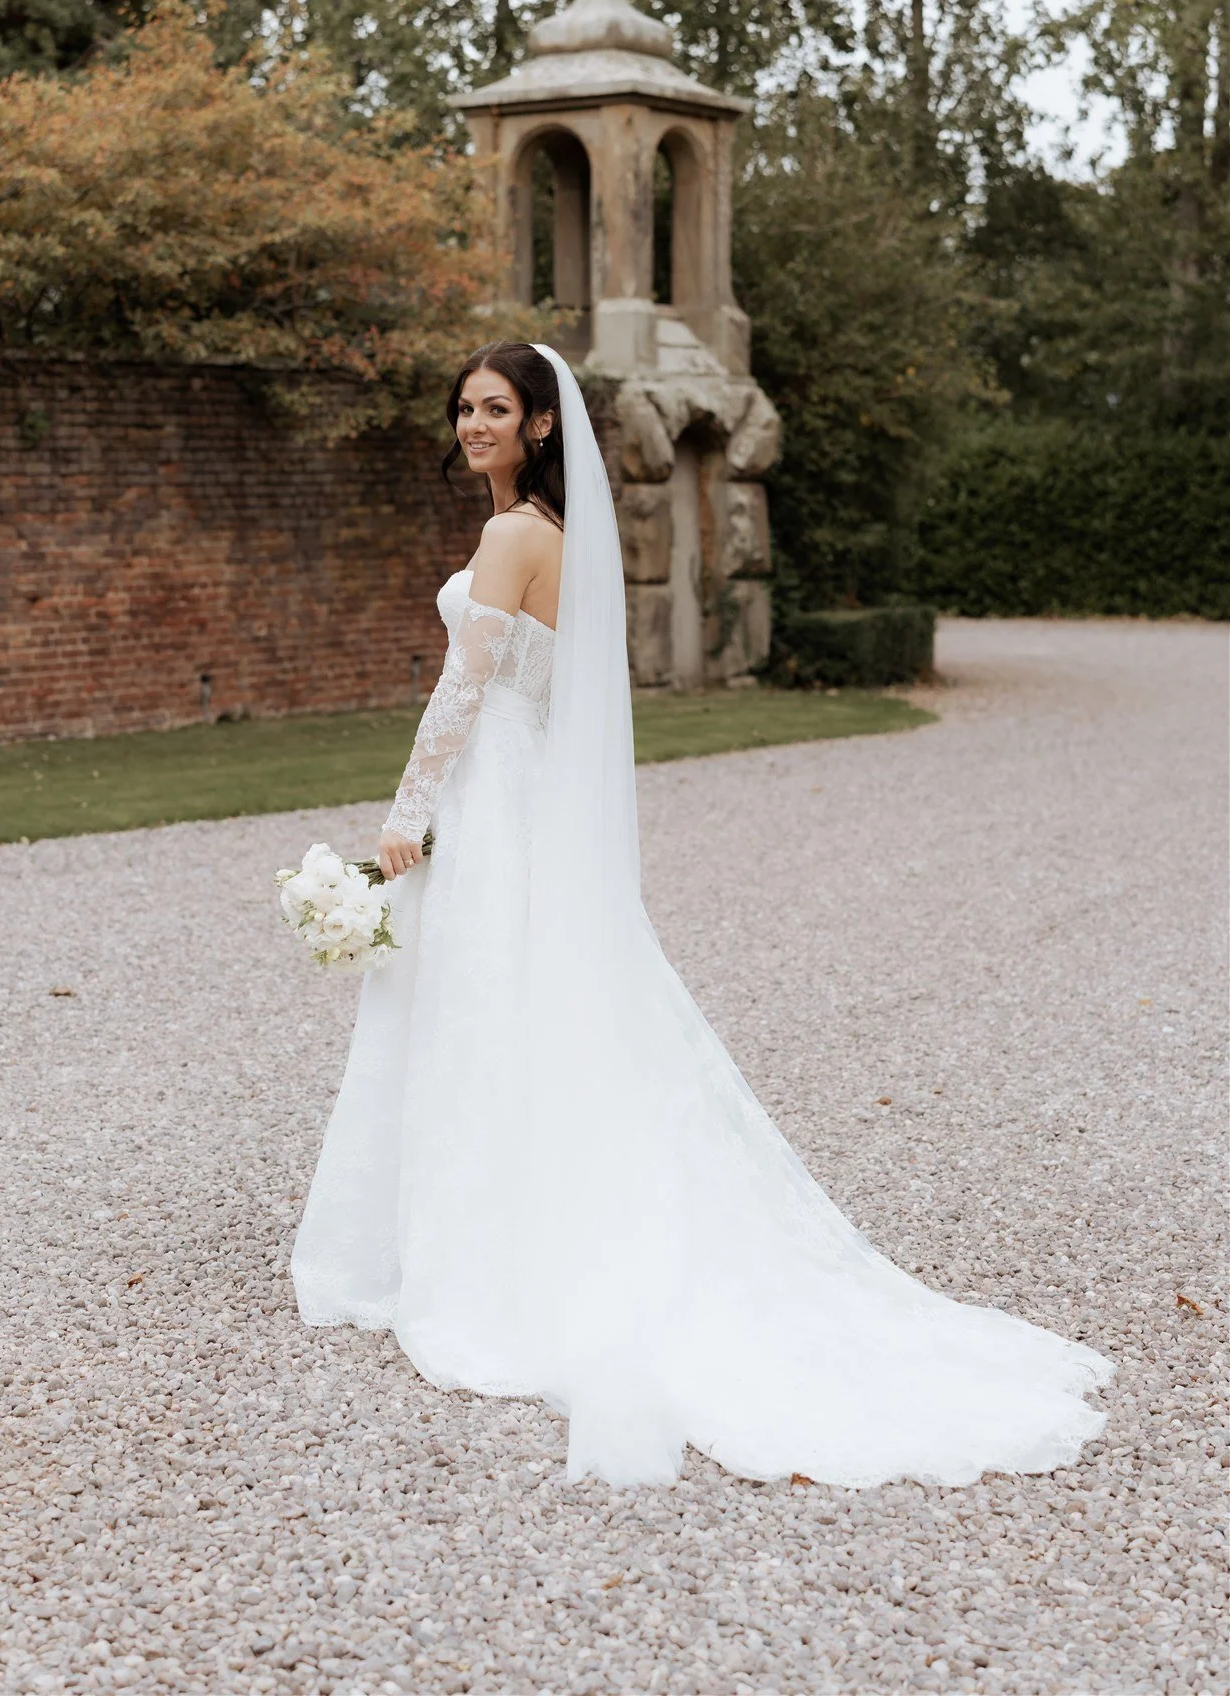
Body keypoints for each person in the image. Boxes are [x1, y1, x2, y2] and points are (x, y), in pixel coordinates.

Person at [291, 340, 1112, 1488]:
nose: (472, 423)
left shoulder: (512, 536)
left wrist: (405, 812)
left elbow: (463, 687)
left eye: (494, 408)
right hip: (524, 805)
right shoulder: (563, 544)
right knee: (529, 1009)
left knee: (484, 1005)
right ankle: (515, 1225)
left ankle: (487, 1257)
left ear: (538, 426)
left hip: (493, 804)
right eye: (463, 407)